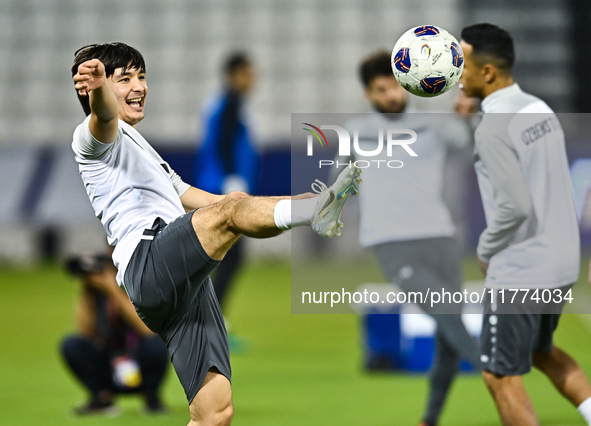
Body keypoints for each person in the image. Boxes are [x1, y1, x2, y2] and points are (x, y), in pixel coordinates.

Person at [70, 42, 360, 426]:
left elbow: (198, 198)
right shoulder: (92, 137)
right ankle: (314, 214)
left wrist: (291, 202)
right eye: (125, 79)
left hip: (182, 287)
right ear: (94, 91)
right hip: (149, 259)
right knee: (230, 213)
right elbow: (103, 114)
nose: (139, 86)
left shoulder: (139, 144)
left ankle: (311, 211)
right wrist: (99, 92)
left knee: (215, 414)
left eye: (142, 76)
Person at [335, 51, 481, 426]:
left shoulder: (434, 123)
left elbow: (470, 144)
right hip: (390, 242)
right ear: (369, 93)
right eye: (382, 89)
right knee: (448, 316)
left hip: (440, 237)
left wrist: (470, 116)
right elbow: (339, 188)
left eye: (396, 86)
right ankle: (500, 373)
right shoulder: (354, 132)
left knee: (449, 336)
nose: (392, 95)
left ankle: (429, 419)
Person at [459, 23, 591, 426]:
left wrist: (485, 251)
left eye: (460, 64)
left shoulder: (492, 129)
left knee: (500, 375)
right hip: (561, 262)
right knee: (541, 352)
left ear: (487, 73)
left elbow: (514, 205)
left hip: (521, 268)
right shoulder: (539, 109)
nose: (453, 73)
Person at [60, 252, 168, 415]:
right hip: (111, 363)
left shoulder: (138, 286)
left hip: (138, 361)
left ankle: (151, 398)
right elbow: (84, 332)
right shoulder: (95, 296)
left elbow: (147, 330)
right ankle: (102, 399)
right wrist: (87, 290)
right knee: (72, 344)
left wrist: (113, 288)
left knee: (156, 343)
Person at [194, 52, 258, 312]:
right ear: (233, 75)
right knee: (228, 256)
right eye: (248, 74)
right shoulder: (229, 105)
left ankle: (207, 319)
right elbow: (222, 143)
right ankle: (210, 319)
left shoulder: (225, 103)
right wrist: (232, 179)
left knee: (218, 256)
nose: (253, 80)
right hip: (221, 188)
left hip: (218, 186)